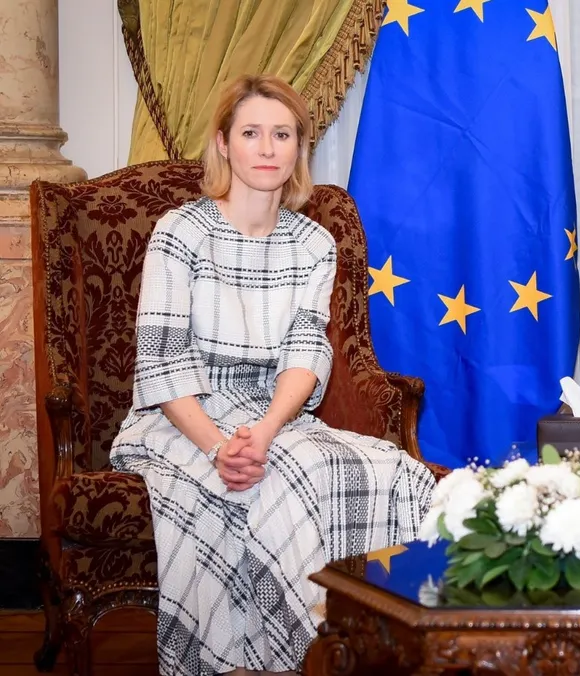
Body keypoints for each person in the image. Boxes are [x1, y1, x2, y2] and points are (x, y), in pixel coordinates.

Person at [111, 74, 436, 676]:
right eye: (251, 133)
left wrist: (262, 432)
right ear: (224, 143)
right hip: (181, 418)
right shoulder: (180, 232)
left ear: (299, 148)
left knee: (394, 471)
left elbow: (305, 356)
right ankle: (258, 661)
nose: (267, 148)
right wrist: (218, 447)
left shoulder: (313, 242)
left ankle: (365, 651)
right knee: (263, 484)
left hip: (275, 417)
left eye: (282, 135)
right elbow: (163, 363)